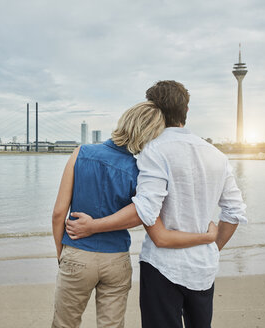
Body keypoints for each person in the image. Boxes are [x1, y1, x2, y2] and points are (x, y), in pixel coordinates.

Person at [66, 81, 247, 328]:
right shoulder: (216, 155)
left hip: (163, 268)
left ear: (154, 110)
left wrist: (93, 226)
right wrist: (212, 246)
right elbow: (235, 212)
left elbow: (146, 211)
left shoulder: (154, 150)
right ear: (186, 110)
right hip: (203, 269)